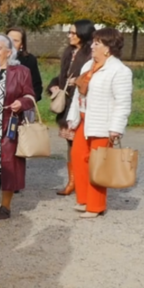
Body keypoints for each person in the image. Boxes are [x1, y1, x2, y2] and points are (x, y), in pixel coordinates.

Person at [65, 27, 133, 219]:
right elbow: (79, 94)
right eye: (93, 42)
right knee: (78, 157)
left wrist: (116, 128)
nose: (92, 46)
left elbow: (122, 102)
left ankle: (96, 206)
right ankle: (84, 199)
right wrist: (72, 118)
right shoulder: (88, 66)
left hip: (103, 124)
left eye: (97, 43)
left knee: (98, 165)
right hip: (84, 121)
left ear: (108, 49)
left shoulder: (120, 71)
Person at [0, 35, 36, 221]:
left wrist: (20, 102)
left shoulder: (21, 71)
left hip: (9, 124)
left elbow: (30, 95)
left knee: (9, 165)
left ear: (9, 53)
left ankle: (5, 206)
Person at [46, 20, 94, 196]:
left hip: (82, 105)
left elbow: (92, 78)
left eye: (73, 33)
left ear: (83, 33)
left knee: (83, 145)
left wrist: (78, 82)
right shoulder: (69, 52)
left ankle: (86, 182)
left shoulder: (90, 54)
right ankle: (72, 181)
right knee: (70, 144)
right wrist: (54, 86)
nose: (70, 36)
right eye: (69, 32)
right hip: (67, 104)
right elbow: (62, 77)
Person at [7, 26, 42, 101]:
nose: (11, 43)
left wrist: (26, 103)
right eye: (9, 39)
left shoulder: (29, 60)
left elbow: (36, 86)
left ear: (22, 45)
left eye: (15, 41)